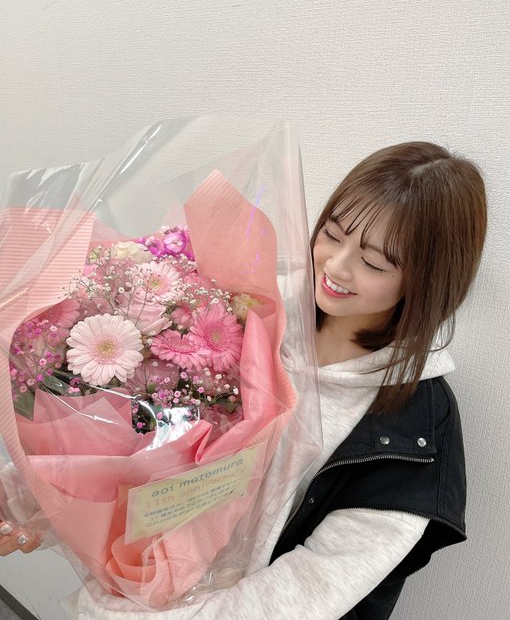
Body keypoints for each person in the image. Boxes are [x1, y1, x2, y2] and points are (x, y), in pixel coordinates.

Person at [1, 141, 487, 620]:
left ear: (427, 280)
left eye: (374, 263)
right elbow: (144, 429)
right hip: (131, 591)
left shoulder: (415, 429)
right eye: (333, 234)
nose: (337, 267)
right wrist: (24, 498)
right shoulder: (248, 312)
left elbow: (310, 588)